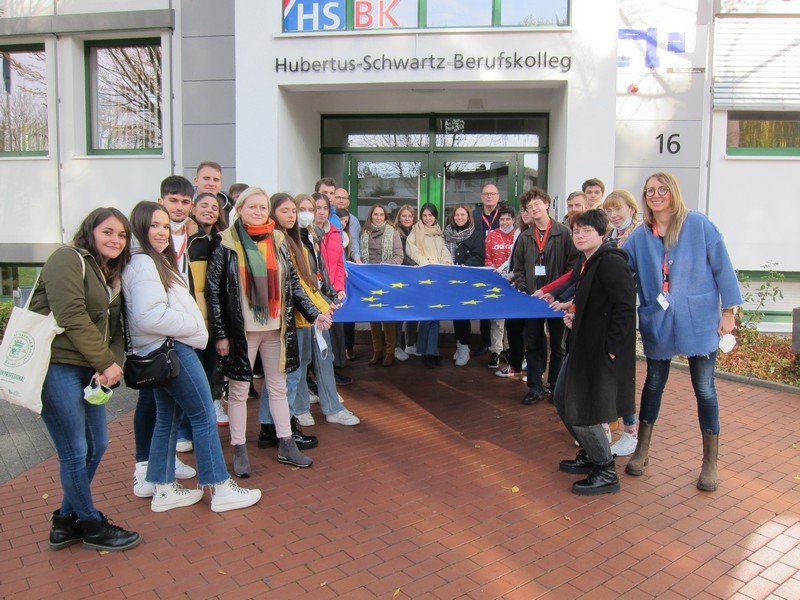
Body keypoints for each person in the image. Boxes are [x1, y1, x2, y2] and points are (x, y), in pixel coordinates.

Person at [123, 201, 262, 513]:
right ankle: (220, 487)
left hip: (163, 350)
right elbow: (148, 315)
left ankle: (162, 487)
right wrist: (195, 328)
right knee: (203, 415)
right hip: (173, 348)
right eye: (154, 225)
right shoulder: (145, 263)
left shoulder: (150, 260)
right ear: (140, 228)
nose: (162, 232)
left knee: (167, 418)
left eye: (165, 226)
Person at [623, 172, 741, 492]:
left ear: (673, 192)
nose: (656, 195)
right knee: (653, 383)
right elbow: (620, 269)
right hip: (659, 320)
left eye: (662, 189)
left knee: (704, 388)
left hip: (698, 318)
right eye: (650, 190)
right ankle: (642, 449)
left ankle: (710, 462)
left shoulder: (698, 224)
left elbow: (723, 268)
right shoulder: (639, 236)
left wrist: (729, 311)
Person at [30, 208, 141, 551]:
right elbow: (71, 315)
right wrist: (105, 361)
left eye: (122, 235)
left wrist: (112, 364)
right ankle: (91, 524)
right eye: (108, 232)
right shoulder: (67, 258)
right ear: (90, 231)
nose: (116, 240)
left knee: (98, 445)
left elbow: (117, 328)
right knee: (75, 450)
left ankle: (65, 522)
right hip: (58, 366)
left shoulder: (111, 274)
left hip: (92, 372)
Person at [206, 187, 333, 477]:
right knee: (239, 391)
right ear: (240, 209)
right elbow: (214, 291)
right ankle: (239, 448)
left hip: (276, 328)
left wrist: (315, 314)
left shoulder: (278, 241)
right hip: (242, 332)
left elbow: (293, 285)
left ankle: (286, 443)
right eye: (253, 207)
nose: (259, 212)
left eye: (263, 207)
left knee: (277, 387)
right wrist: (221, 333)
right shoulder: (226, 242)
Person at [556, 209, 636, 495]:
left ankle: (605, 470)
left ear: (601, 233)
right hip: (582, 344)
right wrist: (575, 317)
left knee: (583, 408)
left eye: (586, 230)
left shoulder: (610, 263)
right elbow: (594, 304)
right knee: (562, 398)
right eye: (576, 231)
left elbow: (625, 308)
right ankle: (593, 454)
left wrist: (611, 349)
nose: (579, 235)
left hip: (600, 352)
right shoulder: (587, 262)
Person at [266, 193, 360, 432]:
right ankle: (300, 409)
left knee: (324, 357)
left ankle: (332, 408)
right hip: (301, 312)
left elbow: (320, 273)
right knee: (300, 362)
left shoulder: (311, 236)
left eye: (313, 209)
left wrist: (328, 297)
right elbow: (297, 282)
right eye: (303, 209)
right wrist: (317, 305)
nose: (307, 213)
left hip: (318, 307)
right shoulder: (283, 240)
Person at [512, 188, 579, 405]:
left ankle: (556, 385)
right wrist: (524, 288)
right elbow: (518, 268)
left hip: (557, 300)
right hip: (533, 300)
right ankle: (535, 387)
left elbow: (573, 268)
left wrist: (558, 293)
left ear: (547, 204)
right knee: (533, 344)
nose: (534, 209)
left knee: (558, 345)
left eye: (537, 204)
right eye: (529, 206)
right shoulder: (525, 237)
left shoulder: (564, 233)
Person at [190, 192, 229, 427]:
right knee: (195, 369)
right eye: (204, 205)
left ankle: (215, 402)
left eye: (214, 207)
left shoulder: (221, 239)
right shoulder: (189, 240)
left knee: (215, 363)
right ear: (193, 208)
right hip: (193, 315)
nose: (209, 210)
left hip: (215, 313)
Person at [405, 203, 453, 368]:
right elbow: (412, 250)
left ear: (435, 216)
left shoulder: (438, 232)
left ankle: (430, 350)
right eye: (424, 215)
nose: (427, 218)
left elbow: (444, 250)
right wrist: (426, 263)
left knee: (435, 317)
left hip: (437, 277)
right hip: (424, 277)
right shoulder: (415, 231)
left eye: (430, 215)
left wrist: (446, 261)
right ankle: (428, 352)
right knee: (427, 317)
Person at [360, 203, 404, 366]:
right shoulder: (364, 233)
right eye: (375, 214)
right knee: (373, 316)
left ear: (385, 216)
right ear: (371, 216)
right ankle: (377, 350)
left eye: (381, 214)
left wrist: (382, 265)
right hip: (369, 280)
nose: (378, 217)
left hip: (386, 278)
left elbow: (399, 257)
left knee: (387, 316)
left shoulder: (393, 233)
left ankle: (390, 351)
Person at [444, 204, 486, 367]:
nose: (459, 217)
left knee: (462, 314)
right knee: (455, 313)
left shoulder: (476, 235)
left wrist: (463, 266)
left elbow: (479, 257)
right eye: (457, 215)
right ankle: (459, 344)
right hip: (449, 279)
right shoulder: (446, 234)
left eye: (463, 215)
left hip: (466, 280)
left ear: (468, 216)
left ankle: (464, 347)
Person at [496, 204, 533, 378]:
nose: (526, 213)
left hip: (534, 289)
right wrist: (507, 274)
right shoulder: (520, 232)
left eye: (530, 209)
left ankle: (533, 368)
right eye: (523, 210)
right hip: (516, 286)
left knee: (532, 331)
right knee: (513, 327)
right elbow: (515, 260)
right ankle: (515, 365)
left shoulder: (540, 233)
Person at [484, 205, 516, 369]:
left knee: (511, 318)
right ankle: (496, 351)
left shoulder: (518, 236)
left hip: (514, 282)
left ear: (513, 220)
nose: (505, 222)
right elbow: (487, 258)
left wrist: (513, 275)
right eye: (502, 219)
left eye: (508, 219)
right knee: (497, 320)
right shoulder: (492, 235)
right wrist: (494, 272)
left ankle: (509, 349)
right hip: (496, 282)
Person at [472, 183, 502, 354]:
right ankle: (485, 341)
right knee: (483, 305)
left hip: (500, 267)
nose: (489, 196)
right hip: (480, 266)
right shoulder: (474, 215)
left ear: (498, 197)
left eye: (492, 193)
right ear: (481, 197)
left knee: (500, 305)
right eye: (486, 194)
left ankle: (501, 345)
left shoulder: (504, 214)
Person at [392, 204, 419, 361]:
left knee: (412, 311)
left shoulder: (417, 233)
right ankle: (396, 346)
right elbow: (401, 255)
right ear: (399, 217)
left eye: (410, 216)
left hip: (414, 279)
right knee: (399, 314)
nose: (407, 219)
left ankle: (410, 344)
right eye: (404, 216)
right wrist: (416, 265)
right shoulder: (395, 233)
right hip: (400, 278)